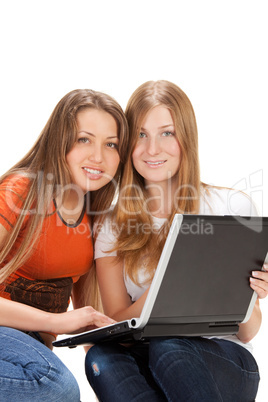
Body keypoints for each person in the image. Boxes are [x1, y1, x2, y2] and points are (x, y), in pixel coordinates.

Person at [85, 80, 268, 402]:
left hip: (224, 360)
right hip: (144, 353)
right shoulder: (111, 224)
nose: (152, 149)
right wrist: (171, 281)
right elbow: (118, 321)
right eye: (141, 134)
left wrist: (249, 295)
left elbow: (248, 331)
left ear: (186, 138)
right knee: (101, 358)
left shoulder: (230, 208)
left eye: (166, 133)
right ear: (128, 145)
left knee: (170, 346)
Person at [0, 88, 129, 401]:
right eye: (84, 139)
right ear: (60, 141)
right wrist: (55, 322)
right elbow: (65, 322)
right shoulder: (22, 191)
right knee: (55, 386)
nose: (98, 156)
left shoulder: (94, 219)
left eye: (110, 144)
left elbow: (87, 319)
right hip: (11, 339)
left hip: (28, 351)